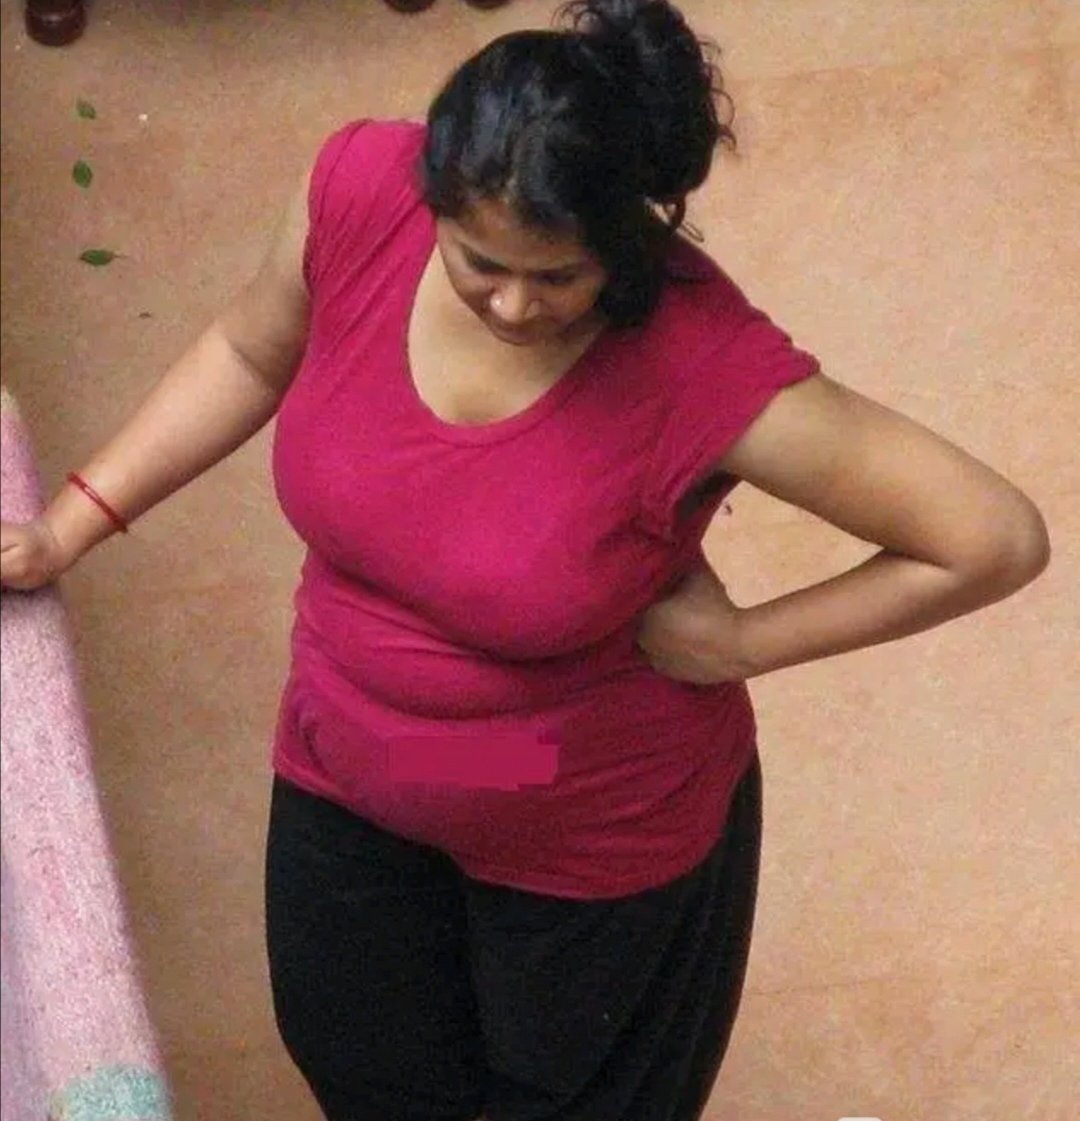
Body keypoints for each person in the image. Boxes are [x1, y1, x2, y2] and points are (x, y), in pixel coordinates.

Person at [0, 1, 1050, 1118]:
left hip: (592, 846)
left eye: (558, 277)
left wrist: (742, 641)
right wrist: (69, 524)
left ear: (623, 242)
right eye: (480, 263)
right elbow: (250, 349)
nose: (511, 304)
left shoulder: (701, 363)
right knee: (358, 1062)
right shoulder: (357, 190)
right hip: (345, 771)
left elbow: (991, 536)